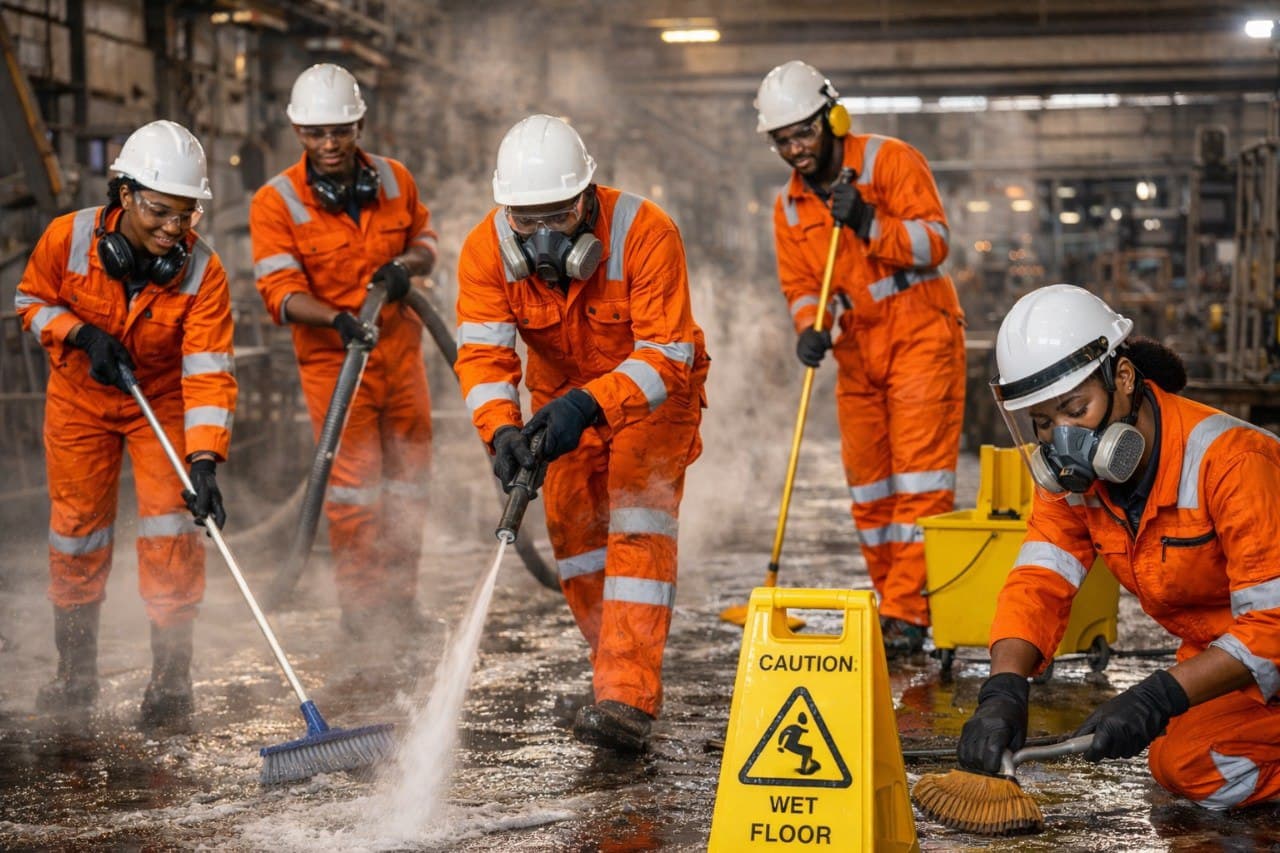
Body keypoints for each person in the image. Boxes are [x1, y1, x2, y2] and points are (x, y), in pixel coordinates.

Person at [959, 284, 1280, 810]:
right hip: (1234, 657)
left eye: (1075, 409)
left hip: (1267, 645)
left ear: (1123, 379)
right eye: (1043, 422)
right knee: (1184, 762)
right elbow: (1040, 580)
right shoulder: (1075, 486)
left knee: (1184, 761)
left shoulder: (1231, 463)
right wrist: (1003, 690)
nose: (1063, 441)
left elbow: (1272, 624)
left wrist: (1158, 695)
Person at [454, 114, 709, 752]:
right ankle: (614, 674)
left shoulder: (646, 233)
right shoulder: (485, 251)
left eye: (558, 217)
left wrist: (589, 404)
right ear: (504, 211)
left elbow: (666, 355)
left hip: (652, 395)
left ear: (588, 197)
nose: (541, 239)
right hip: (556, 398)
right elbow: (484, 357)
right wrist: (502, 431)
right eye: (526, 220)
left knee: (637, 527)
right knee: (576, 538)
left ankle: (627, 695)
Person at [15, 120, 237, 726]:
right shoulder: (69, 238)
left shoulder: (201, 272)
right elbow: (30, 305)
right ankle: (74, 675)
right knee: (77, 530)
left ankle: (170, 682)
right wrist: (82, 334)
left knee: (171, 531)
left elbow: (209, 370)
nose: (174, 229)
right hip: (80, 401)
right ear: (126, 194)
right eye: (161, 212)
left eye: (187, 216)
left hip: (160, 402)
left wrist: (204, 461)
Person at [755, 60, 966, 656]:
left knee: (920, 480)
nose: (795, 149)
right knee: (870, 488)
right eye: (782, 139)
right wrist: (808, 327)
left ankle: (907, 611)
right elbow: (800, 285)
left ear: (832, 117)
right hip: (855, 349)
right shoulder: (790, 207)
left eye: (803, 133)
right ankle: (892, 602)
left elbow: (935, 242)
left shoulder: (889, 161)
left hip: (920, 330)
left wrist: (870, 220)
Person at [250, 63, 438, 638]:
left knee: (408, 485)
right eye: (316, 133)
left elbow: (426, 243)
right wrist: (337, 319)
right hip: (336, 365)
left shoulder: (395, 179)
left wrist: (403, 268)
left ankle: (401, 604)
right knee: (355, 492)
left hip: (401, 354)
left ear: (359, 125)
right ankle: (361, 613)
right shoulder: (276, 201)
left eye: (340, 131)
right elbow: (279, 293)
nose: (329, 145)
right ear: (297, 133)